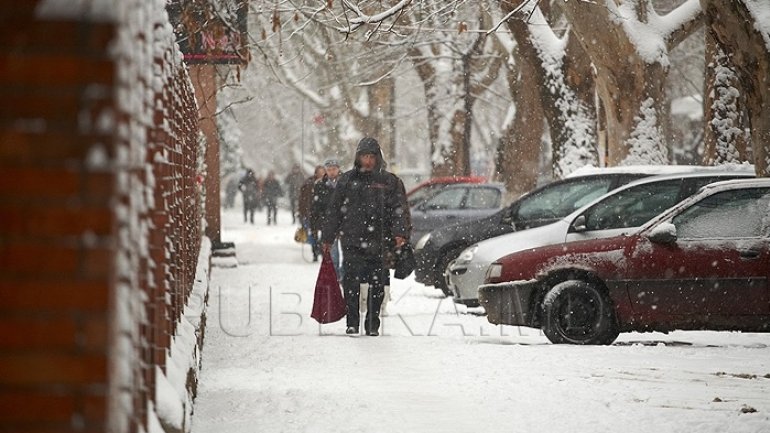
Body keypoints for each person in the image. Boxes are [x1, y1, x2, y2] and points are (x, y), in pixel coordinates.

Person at [321, 137, 410, 337]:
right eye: (364, 157)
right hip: (352, 240)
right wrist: (328, 237)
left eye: (371, 157)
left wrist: (399, 233)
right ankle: (352, 322)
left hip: (380, 241)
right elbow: (334, 211)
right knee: (351, 282)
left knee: (377, 284)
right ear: (358, 158)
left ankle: (373, 323)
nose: (368, 161)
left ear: (377, 158)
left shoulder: (389, 182)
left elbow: (399, 209)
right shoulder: (347, 180)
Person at [312, 159, 343, 280]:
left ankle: (344, 276)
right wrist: (316, 223)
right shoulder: (320, 185)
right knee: (333, 255)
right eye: (329, 169)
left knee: (347, 256)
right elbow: (316, 207)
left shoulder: (346, 183)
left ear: (338, 169)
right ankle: (336, 277)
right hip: (329, 224)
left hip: (346, 224)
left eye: (334, 169)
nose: (331, 172)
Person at [299, 166, 325, 261]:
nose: (321, 174)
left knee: (323, 235)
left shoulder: (327, 183)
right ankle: (315, 252)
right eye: (320, 172)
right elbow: (303, 200)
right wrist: (302, 213)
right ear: (316, 173)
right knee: (313, 234)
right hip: (311, 213)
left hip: (323, 213)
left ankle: (321, 251)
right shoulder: (309, 183)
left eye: (323, 172)